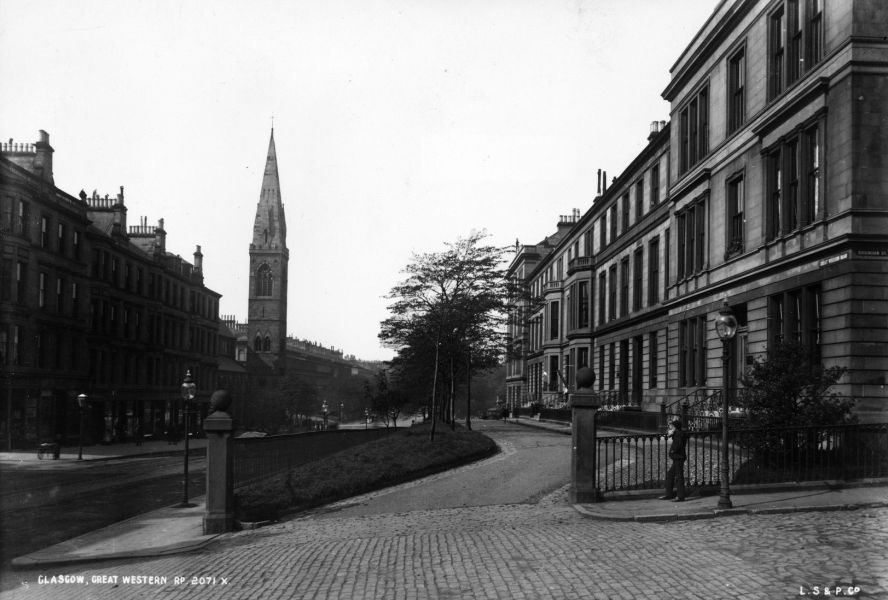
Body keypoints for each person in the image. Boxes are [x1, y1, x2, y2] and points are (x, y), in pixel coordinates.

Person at [660, 420, 687, 502]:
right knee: (670, 475)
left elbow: (678, 444)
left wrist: (672, 451)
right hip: (678, 457)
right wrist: (671, 434)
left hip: (678, 457)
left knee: (679, 477)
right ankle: (669, 494)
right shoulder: (678, 433)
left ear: (675, 427)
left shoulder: (678, 434)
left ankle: (680, 496)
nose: (670, 427)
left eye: (672, 426)